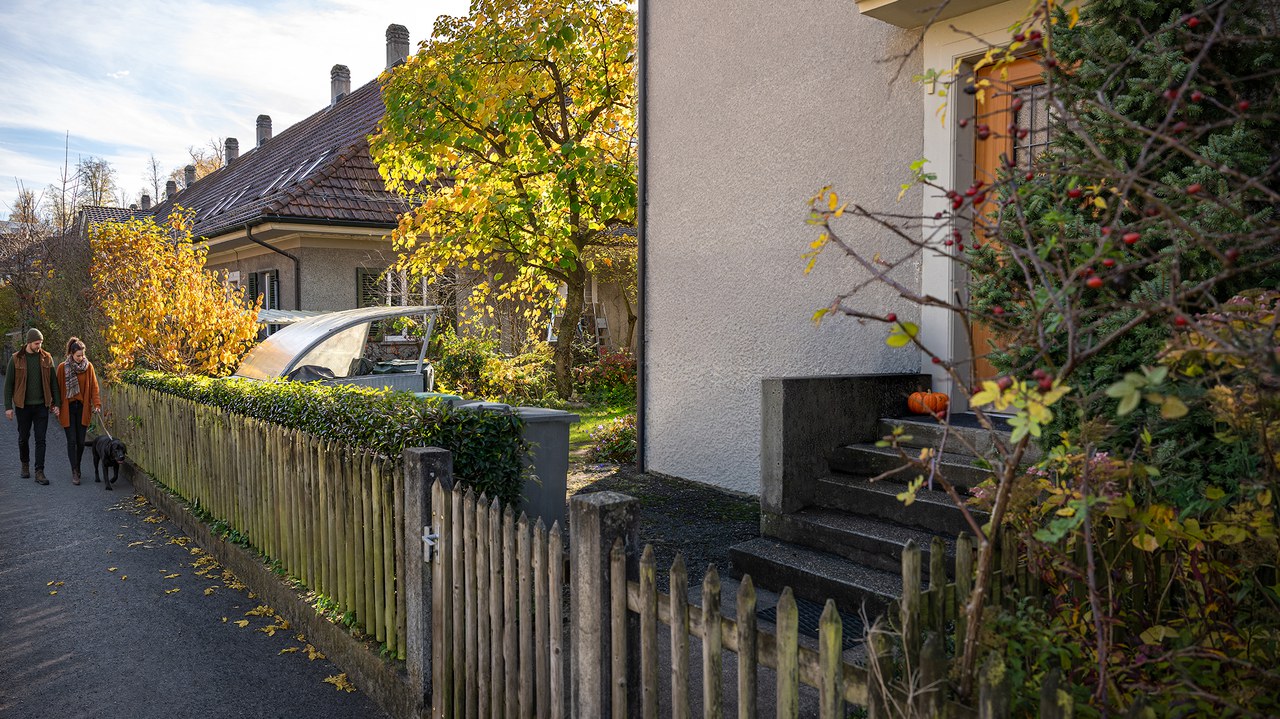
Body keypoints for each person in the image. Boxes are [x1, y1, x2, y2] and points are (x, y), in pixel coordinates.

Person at [4, 328, 61, 485]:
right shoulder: (16, 359)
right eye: (37, 343)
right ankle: (25, 464)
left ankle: (39, 472)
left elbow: (54, 384)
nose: (39, 346)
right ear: (29, 342)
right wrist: (8, 407)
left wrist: (56, 404)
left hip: (42, 406)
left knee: (41, 439)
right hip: (23, 406)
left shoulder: (47, 358)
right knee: (23, 438)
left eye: (41, 343)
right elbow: (8, 385)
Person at [57, 337, 101, 486]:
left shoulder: (88, 367)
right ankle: (75, 470)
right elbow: (57, 389)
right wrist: (55, 405)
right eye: (78, 356)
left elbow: (94, 387)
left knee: (81, 442)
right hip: (68, 408)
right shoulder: (63, 368)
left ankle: (78, 465)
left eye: (82, 355)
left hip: (82, 408)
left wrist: (97, 404)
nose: (80, 358)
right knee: (72, 441)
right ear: (71, 353)